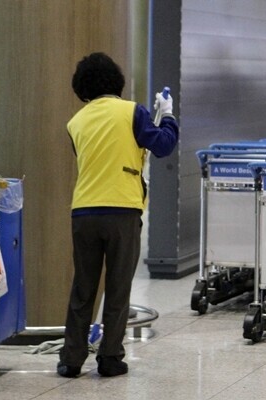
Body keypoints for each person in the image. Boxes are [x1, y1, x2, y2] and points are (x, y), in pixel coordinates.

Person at [58, 52, 179, 378]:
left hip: (83, 212)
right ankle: (110, 357)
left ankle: (71, 359)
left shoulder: (75, 122)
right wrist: (166, 115)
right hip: (122, 212)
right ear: (117, 81)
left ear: (82, 88)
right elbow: (164, 145)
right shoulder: (132, 112)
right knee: (117, 288)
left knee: (83, 289)